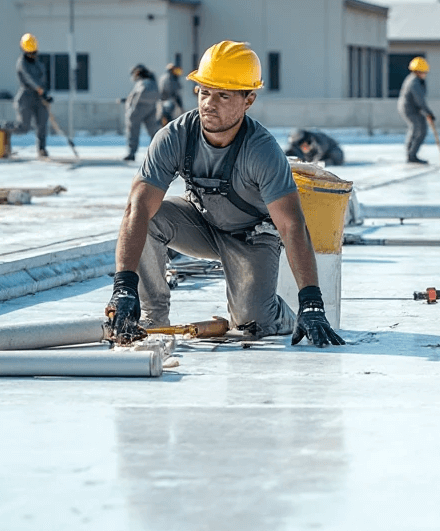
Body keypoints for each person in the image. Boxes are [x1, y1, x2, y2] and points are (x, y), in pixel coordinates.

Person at [104, 40, 344, 349]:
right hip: (202, 224)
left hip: (252, 236)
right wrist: (124, 285)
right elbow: (137, 209)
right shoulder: (175, 137)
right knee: (148, 215)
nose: (208, 103)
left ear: (248, 100)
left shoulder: (262, 151)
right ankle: (154, 315)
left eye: (223, 95)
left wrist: (311, 302)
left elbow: (291, 225)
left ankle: (281, 316)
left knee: (250, 323)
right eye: (204, 92)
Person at [9, 33, 50, 158]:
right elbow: (29, 78)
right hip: (25, 97)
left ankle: (42, 149)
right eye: (30, 53)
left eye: (34, 52)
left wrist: (45, 93)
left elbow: (43, 77)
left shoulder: (38, 63)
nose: (32, 55)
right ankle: (5, 129)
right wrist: (39, 88)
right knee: (23, 127)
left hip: (39, 97)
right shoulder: (22, 63)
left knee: (42, 123)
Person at [397, 56, 436, 164]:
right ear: (418, 71)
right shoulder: (414, 82)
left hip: (413, 108)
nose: (425, 74)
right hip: (409, 109)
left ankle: (411, 153)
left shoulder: (415, 80)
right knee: (419, 130)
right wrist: (428, 112)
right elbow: (420, 100)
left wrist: (425, 111)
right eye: (424, 72)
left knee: (417, 129)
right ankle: (411, 155)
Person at [122, 64, 161, 162]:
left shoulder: (141, 83)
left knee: (133, 131)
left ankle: (131, 153)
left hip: (138, 109)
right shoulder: (152, 82)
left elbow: (134, 97)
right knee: (154, 132)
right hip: (151, 108)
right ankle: (157, 153)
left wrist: (129, 105)